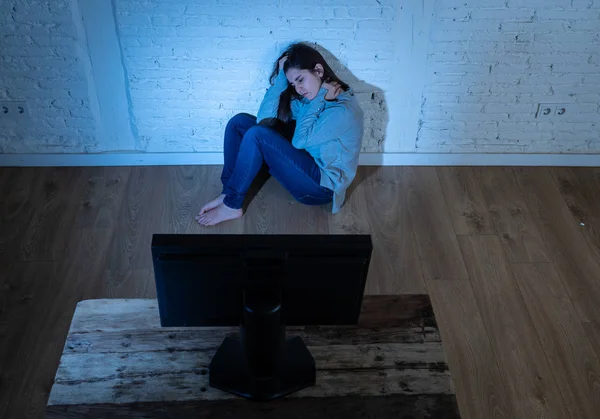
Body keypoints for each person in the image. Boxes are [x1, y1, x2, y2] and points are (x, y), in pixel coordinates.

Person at [195, 42, 364, 226]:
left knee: (258, 135)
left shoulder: (343, 111)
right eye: (293, 83)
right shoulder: (310, 96)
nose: (298, 89)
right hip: (306, 159)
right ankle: (229, 192)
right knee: (239, 123)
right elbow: (264, 120)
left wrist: (319, 101)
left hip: (321, 187)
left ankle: (232, 204)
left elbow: (299, 142)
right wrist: (281, 81)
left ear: (318, 70)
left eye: (300, 79)